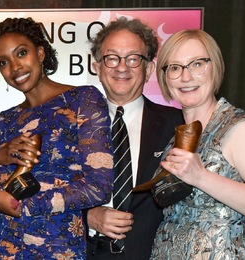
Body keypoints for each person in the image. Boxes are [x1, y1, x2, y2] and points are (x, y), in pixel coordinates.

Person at [150, 29, 245, 259]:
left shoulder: (241, 130)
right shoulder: (176, 139)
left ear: (214, 66)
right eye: (175, 68)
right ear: (164, 77)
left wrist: (202, 177)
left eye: (197, 64)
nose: (185, 77)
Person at [0, 17, 114, 259]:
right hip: (3, 246)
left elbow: (99, 187)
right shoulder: (6, 119)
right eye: (3, 62)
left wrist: (23, 207)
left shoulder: (82, 100)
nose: (15, 67)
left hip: (58, 247)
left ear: (40, 53)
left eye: (21, 53)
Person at [84, 17, 184, 259]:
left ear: (148, 69)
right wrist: (88, 216)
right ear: (97, 67)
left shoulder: (179, 125)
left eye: (133, 59)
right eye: (112, 58)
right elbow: (47, 194)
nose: (121, 67)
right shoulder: (71, 126)